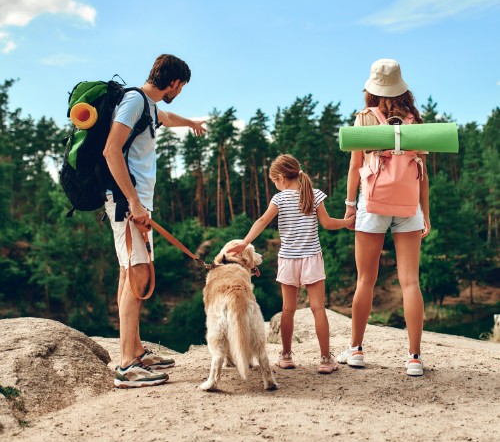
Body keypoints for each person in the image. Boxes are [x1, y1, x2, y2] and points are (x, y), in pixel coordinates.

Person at [103, 54, 206, 388]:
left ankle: (135, 350)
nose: (181, 92)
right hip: (126, 203)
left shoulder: (147, 105)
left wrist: (190, 122)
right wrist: (133, 202)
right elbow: (111, 150)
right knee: (139, 274)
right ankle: (127, 366)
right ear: (174, 82)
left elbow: (167, 116)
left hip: (134, 203)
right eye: (182, 87)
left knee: (128, 272)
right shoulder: (134, 101)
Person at [337, 58, 430, 376]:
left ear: (373, 88)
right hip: (408, 207)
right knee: (410, 282)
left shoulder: (364, 118)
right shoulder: (416, 121)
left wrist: (350, 205)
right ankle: (414, 357)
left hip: (373, 205)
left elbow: (354, 167)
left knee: (365, 279)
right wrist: (425, 213)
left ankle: (357, 350)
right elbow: (422, 173)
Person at [228, 154, 355, 374]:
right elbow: (327, 223)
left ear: (281, 178)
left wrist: (245, 243)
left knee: (288, 309)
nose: (275, 186)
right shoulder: (314, 195)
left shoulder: (279, 199)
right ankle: (325, 360)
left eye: (274, 182)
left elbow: (261, 221)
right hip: (311, 258)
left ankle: (286, 357)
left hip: (288, 259)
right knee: (318, 309)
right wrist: (347, 222)